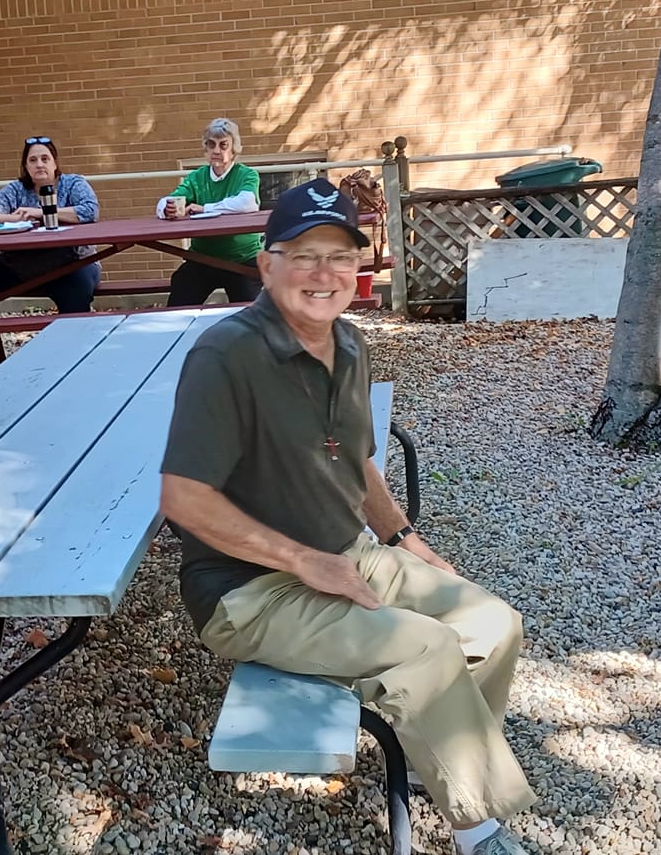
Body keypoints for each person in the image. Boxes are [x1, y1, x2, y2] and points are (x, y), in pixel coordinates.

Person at [159, 179, 540, 855]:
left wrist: (405, 538)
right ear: (266, 264)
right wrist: (304, 561)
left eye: (339, 255)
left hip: (347, 556)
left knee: (493, 623)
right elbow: (184, 499)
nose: (324, 273)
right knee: (426, 647)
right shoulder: (226, 356)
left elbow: (357, 460)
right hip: (248, 592)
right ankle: (479, 830)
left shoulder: (352, 344)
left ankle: (439, 762)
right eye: (303, 254)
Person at [0, 136, 103, 372]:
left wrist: (40, 212)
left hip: (72, 263)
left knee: (77, 292)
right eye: (33, 160)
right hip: (18, 266)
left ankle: (73, 361)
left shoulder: (74, 183)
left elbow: (90, 211)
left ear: (55, 163)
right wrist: (15, 218)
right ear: (25, 166)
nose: (39, 164)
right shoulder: (15, 190)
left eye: (45, 158)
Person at [156, 118, 263, 306]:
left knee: (247, 312)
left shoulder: (247, 174)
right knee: (180, 294)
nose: (216, 151)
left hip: (243, 260)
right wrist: (167, 208)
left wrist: (205, 208)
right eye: (211, 145)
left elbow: (247, 202)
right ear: (205, 149)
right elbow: (167, 200)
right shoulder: (196, 177)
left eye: (223, 145)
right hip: (202, 258)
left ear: (234, 149)